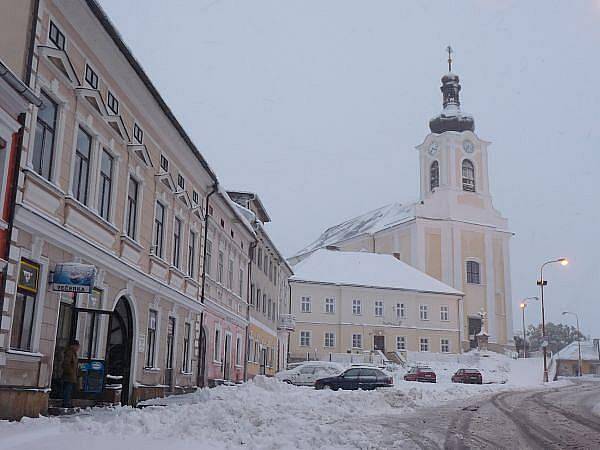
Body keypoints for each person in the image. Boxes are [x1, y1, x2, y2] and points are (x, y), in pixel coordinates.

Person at [62, 340, 80, 408]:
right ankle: (66, 403)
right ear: (73, 346)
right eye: (77, 346)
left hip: (72, 375)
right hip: (69, 376)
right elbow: (66, 363)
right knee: (67, 389)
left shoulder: (74, 353)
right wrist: (71, 372)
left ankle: (68, 402)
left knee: (69, 389)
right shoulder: (69, 352)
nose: (78, 348)